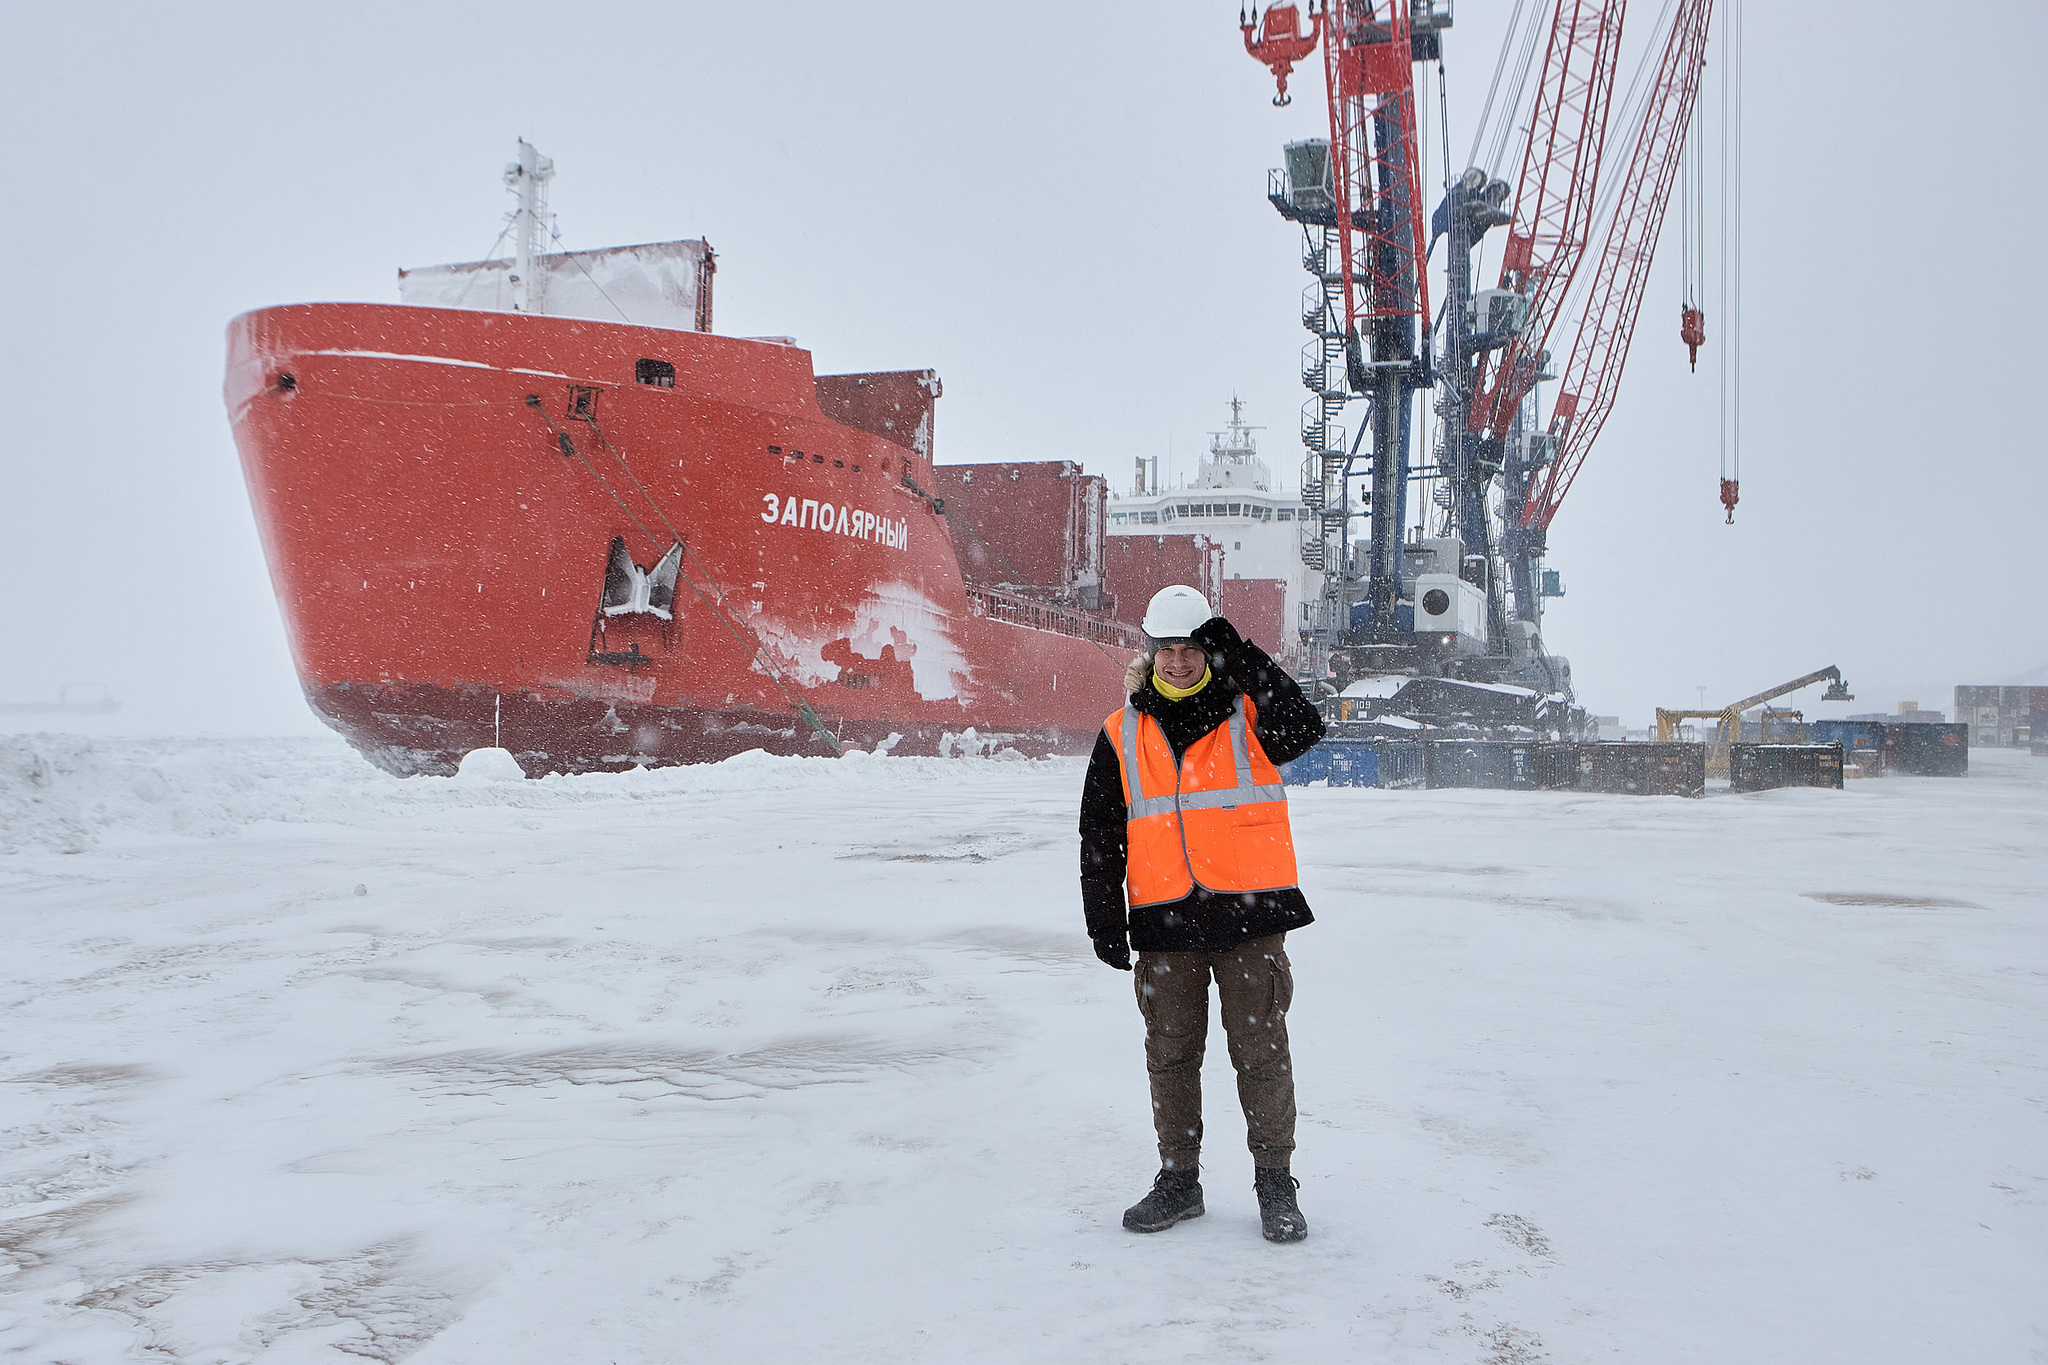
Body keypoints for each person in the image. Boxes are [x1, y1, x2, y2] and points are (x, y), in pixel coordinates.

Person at [1080, 584, 1326, 1243]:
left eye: (1192, 648)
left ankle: (1277, 1185)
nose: (1180, 661)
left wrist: (1243, 655)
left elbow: (1306, 727)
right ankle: (1178, 1180)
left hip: (1250, 916)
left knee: (1262, 1051)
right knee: (1170, 1053)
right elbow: (1101, 835)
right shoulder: (1120, 732)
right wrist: (1104, 919)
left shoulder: (1250, 712)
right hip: (1166, 924)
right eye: (1168, 649)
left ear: (1209, 651)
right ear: (1150, 652)